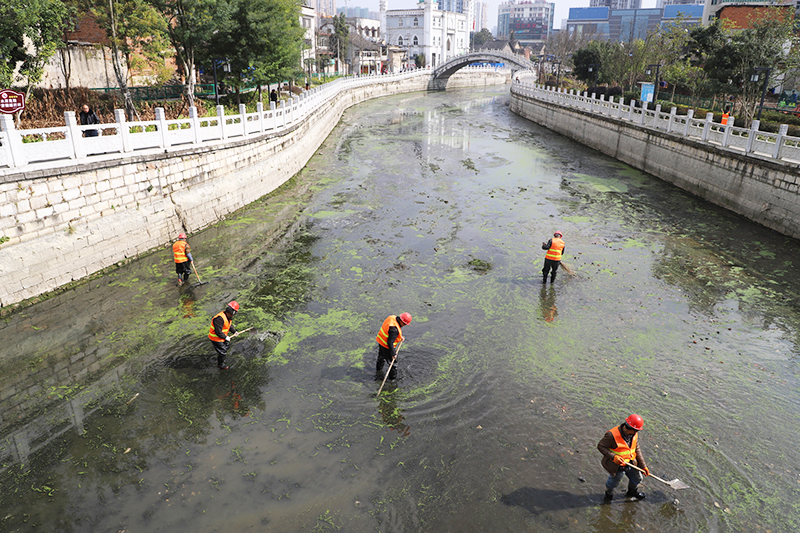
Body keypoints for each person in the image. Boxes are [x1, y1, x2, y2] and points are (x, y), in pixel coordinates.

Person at [597, 414, 650, 501]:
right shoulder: (611, 435)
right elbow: (600, 446)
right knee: (613, 483)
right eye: (636, 430)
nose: (637, 433)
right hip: (617, 466)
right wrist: (614, 457)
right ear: (631, 429)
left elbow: (636, 448)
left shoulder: (634, 435)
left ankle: (632, 493)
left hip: (631, 463)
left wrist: (643, 465)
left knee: (637, 478)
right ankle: (608, 495)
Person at [375, 312, 412, 380]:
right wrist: (393, 354)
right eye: (404, 324)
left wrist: (400, 337)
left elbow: (389, 332)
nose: (404, 325)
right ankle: (392, 380)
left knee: (381, 357)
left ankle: (378, 371)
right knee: (393, 364)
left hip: (381, 341)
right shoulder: (395, 330)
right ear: (401, 321)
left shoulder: (392, 318)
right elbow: (390, 342)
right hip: (387, 347)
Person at [209, 301, 239, 370]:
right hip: (216, 338)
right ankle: (220, 364)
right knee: (223, 351)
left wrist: (234, 332)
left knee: (226, 346)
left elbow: (228, 325)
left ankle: (220, 355)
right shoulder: (219, 319)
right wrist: (226, 337)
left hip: (222, 337)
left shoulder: (227, 317)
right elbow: (218, 332)